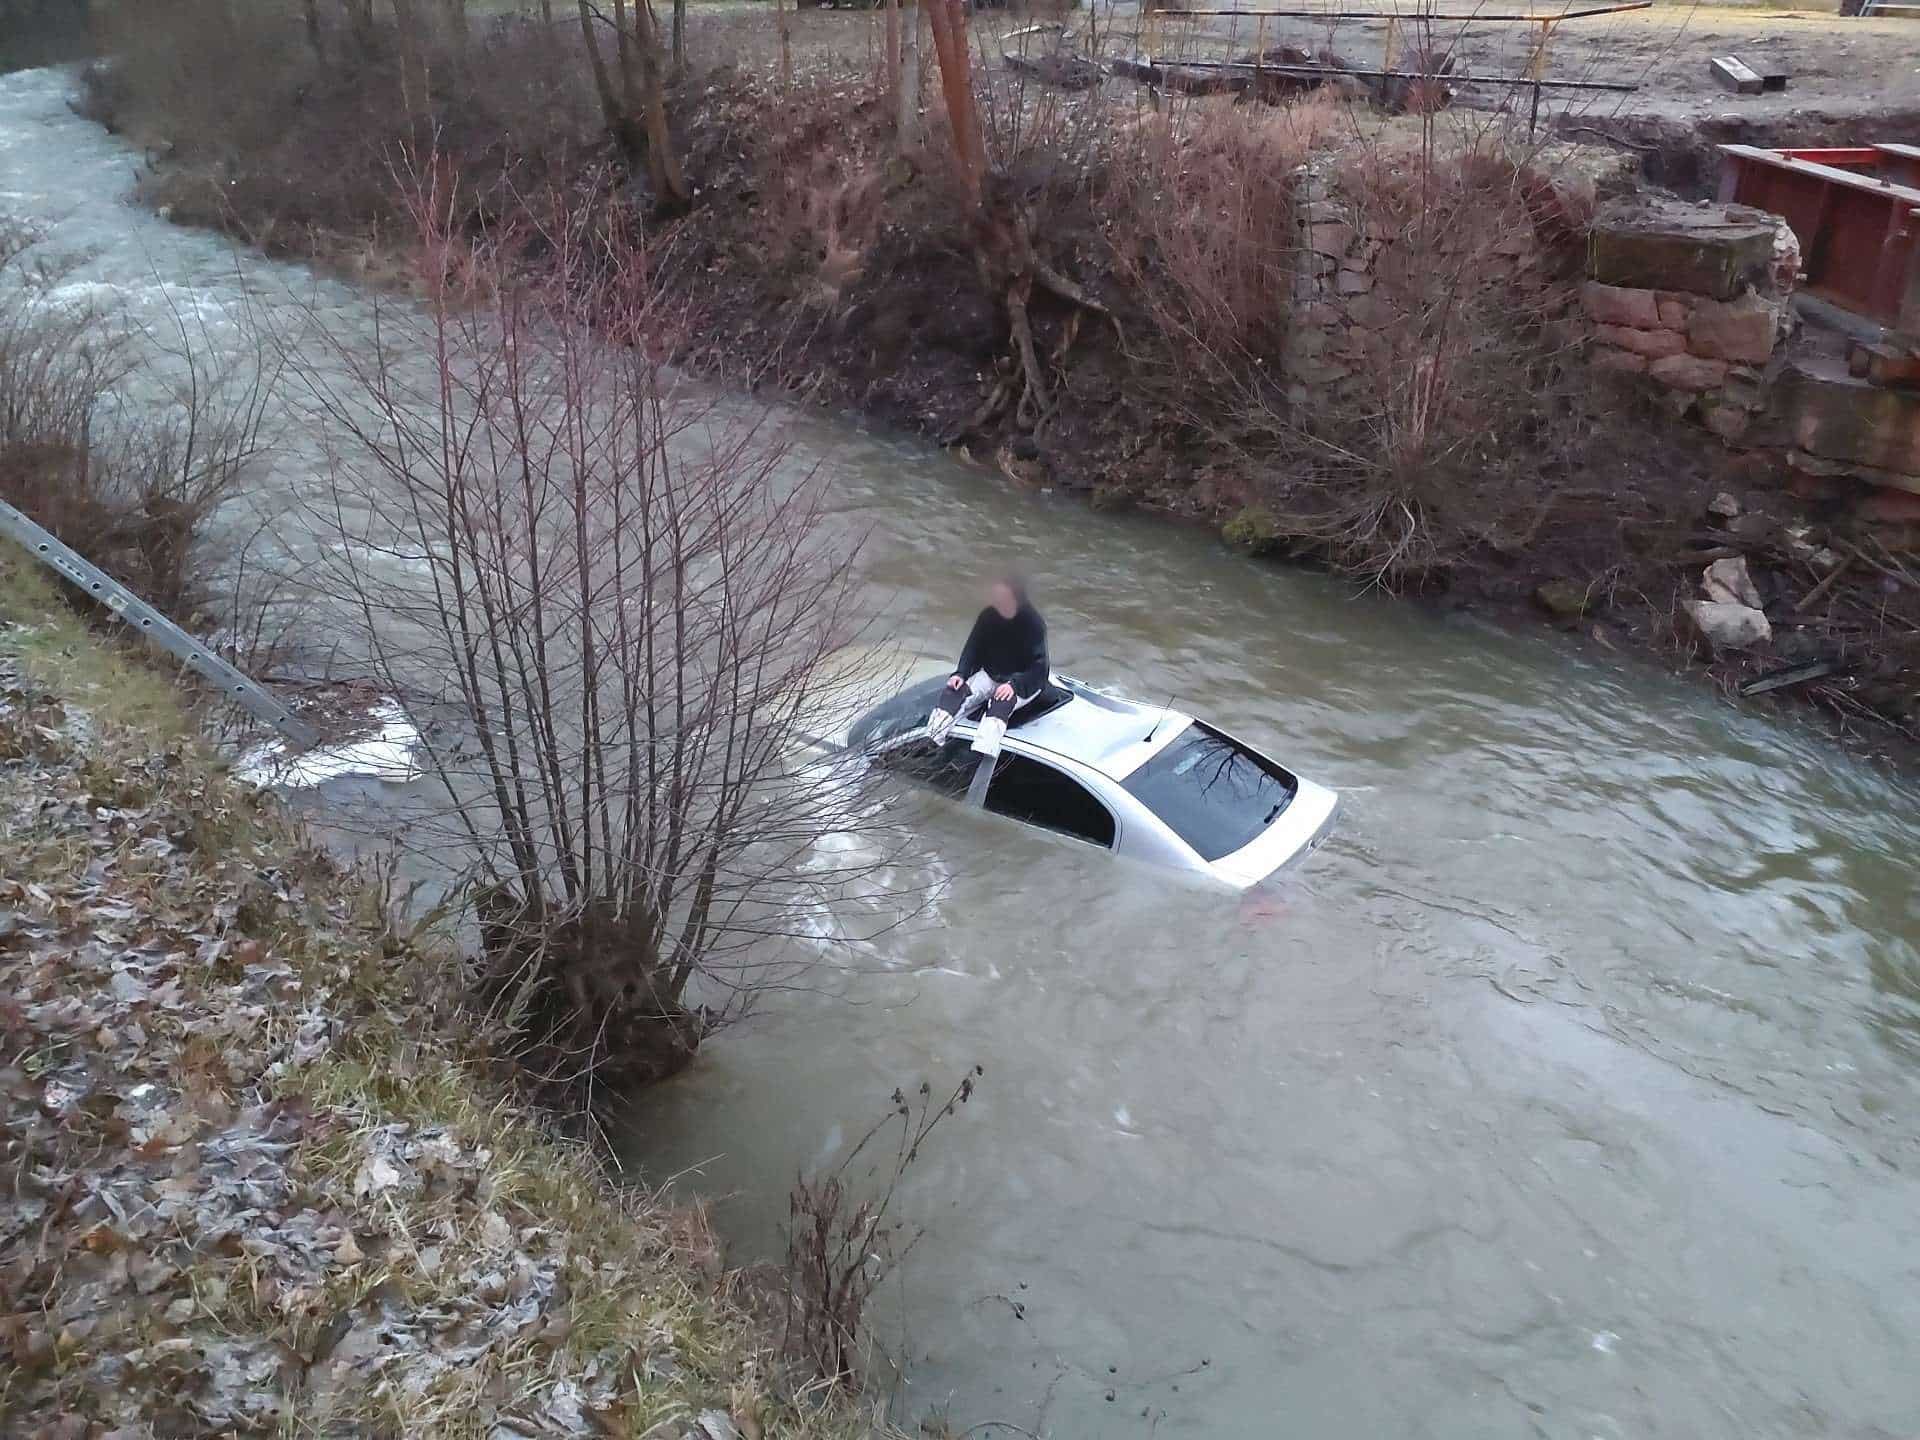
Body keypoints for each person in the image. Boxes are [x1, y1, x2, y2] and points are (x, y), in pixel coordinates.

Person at [927, 576, 1049, 753]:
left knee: (1001, 705)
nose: (998, 602)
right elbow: (972, 648)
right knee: (954, 693)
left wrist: (1014, 685)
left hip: (1023, 682)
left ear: (1016, 599)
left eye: (1003, 598)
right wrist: (961, 674)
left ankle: (981, 752)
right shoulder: (988, 616)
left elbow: (1039, 667)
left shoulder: (1033, 623)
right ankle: (930, 742)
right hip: (992, 674)